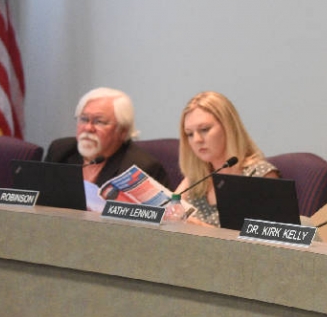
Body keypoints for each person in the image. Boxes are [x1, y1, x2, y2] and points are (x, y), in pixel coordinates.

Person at [175, 91, 279, 227]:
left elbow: (273, 241)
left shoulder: (260, 175)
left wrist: (206, 233)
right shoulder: (196, 178)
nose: (197, 140)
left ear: (228, 127)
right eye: (189, 134)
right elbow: (167, 218)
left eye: (205, 129)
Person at [45, 87, 169, 187]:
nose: (88, 128)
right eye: (83, 119)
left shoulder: (140, 167)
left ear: (123, 131)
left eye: (99, 122)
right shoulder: (60, 151)